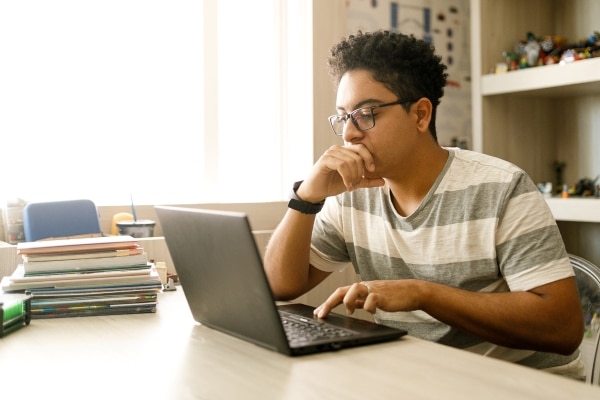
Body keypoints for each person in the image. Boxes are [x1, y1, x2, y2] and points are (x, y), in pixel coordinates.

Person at [264, 30, 585, 378]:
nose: (349, 134)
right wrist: (306, 199)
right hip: (421, 379)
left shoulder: (501, 187)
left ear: (420, 115)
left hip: (520, 386)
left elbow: (563, 329)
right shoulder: (352, 195)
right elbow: (281, 286)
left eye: (366, 113)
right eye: (344, 116)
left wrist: (423, 294)